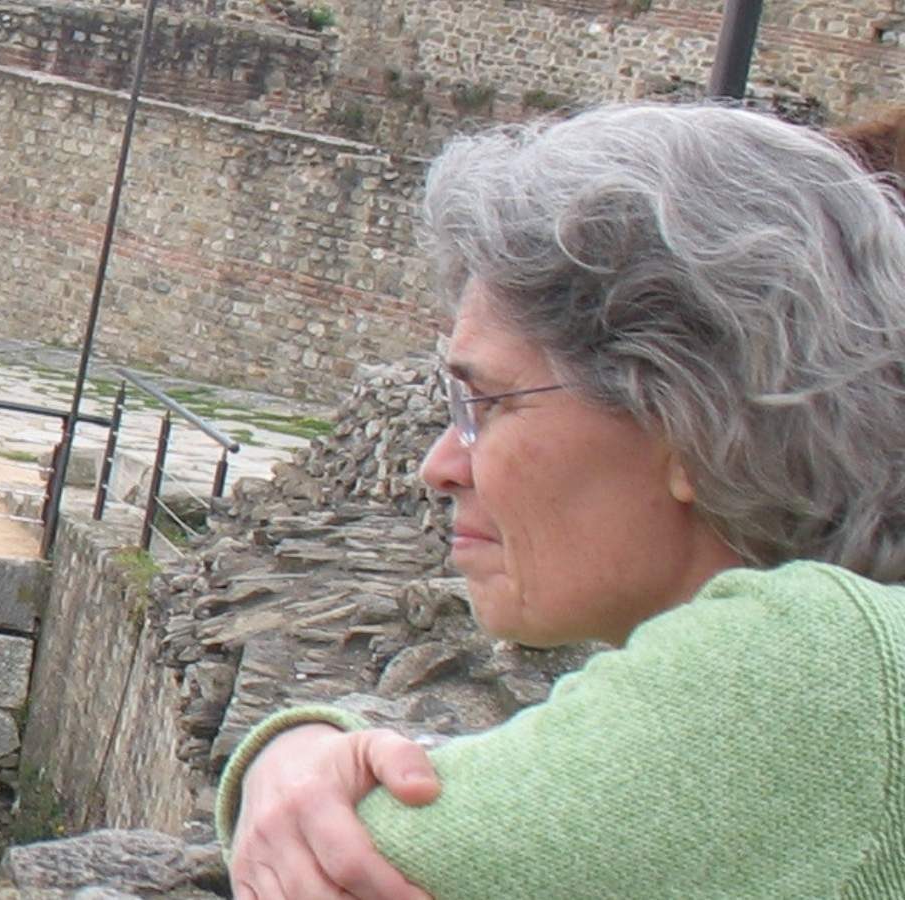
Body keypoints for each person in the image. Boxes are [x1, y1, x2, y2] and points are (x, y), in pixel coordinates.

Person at [216, 102, 905, 898]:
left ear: (689, 425)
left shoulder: (804, 665)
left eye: (491, 403)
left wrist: (287, 761)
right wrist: (302, 748)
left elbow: (365, 855)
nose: (438, 466)